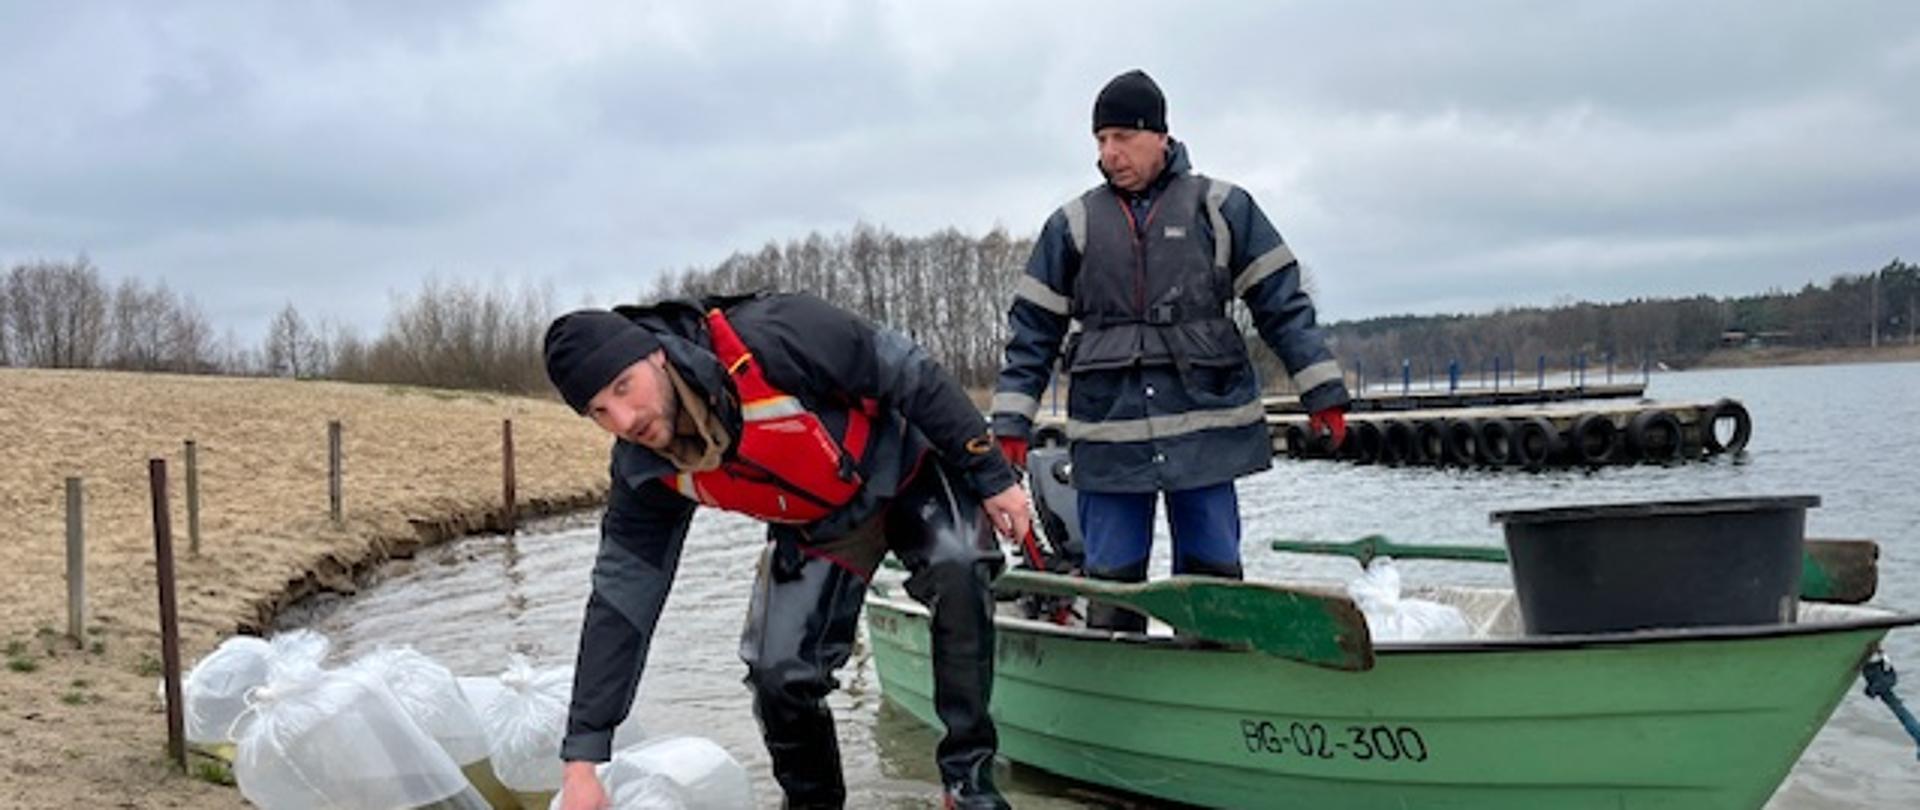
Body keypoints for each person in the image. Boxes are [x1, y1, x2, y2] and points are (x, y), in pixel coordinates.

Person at [544, 291, 1027, 810]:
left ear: (655, 354)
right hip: (821, 526)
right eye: (599, 411)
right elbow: (621, 601)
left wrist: (991, 474)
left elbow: (911, 372)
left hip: (909, 470)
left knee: (960, 563)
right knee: (778, 674)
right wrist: (583, 759)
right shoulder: (645, 472)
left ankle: (967, 784)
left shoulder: (772, 333)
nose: (623, 419)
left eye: (624, 387)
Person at [990, 69, 1351, 631]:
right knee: (1111, 577)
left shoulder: (1223, 208)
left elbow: (1282, 303)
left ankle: (1210, 675)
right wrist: (1012, 422)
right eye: (1100, 141)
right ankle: (1116, 681)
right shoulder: (1073, 225)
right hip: (1110, 435)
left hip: (1207, 431)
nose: (1110, 154)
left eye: (1122, 138)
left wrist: (1322, 390)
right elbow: (1032, 330)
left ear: (1160, 135)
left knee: (1211, 574)